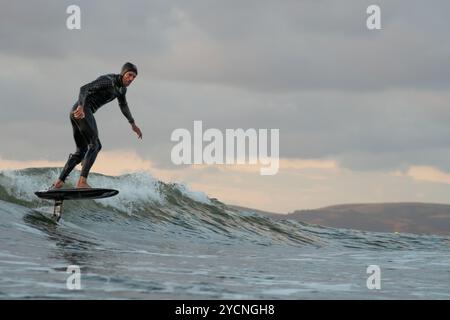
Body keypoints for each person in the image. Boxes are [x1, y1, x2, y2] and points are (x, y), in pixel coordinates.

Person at [51, 62, 143, 189]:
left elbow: (123, 105)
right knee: (95, 145)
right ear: (123, 73)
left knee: (81, 151)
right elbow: (84, 88)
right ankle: (82, 182)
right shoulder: (108, 80)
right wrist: (81, 107)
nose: (131, 79)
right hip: (82, 110)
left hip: (78, 112)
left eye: (134, 77)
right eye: (129, 75)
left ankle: (59, 182)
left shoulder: (122, 89)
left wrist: (132, 123)